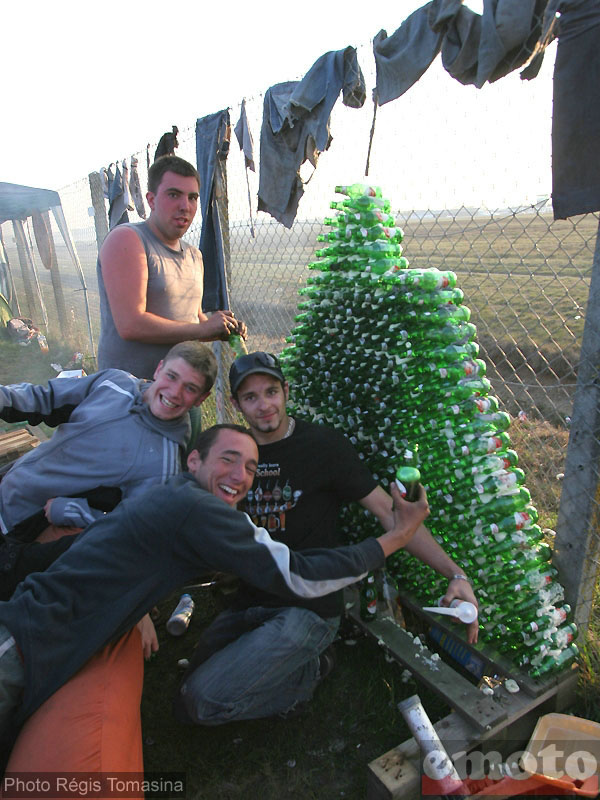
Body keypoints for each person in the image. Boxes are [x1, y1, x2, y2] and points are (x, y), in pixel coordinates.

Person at [0, 423, 429, 739]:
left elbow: (94, 547)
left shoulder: (170, 492)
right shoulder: (197, 511)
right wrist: (397, 537)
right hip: (25, 644)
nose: (241, 475)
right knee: (200, 699)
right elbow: (298, 574)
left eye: (250, 467)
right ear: (195, 460)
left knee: (201, 696)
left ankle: (307, 670)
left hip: (30, 629)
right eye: (228, 459)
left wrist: (134, 611)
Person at [174, 352, 478, 726]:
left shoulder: (322, 446)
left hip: (307, 606)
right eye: (251, 397)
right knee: (189, 680)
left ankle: (311, 671)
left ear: (286, 391)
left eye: (271, 391)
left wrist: (455, 573)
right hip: (250, 598)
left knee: (202, 703)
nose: (264, 405)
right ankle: (281, 663)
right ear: (236, 404)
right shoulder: (234, 457)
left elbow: (391, 514)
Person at [96, 154, 247, 380]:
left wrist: (219, 328)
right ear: (151, 199)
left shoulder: (195, 257)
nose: (185, 206)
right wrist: (202, 329)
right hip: (131, 396)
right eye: (174, 195)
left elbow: (191, 322)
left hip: (183, 390)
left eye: (193, 197)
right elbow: (130, 324)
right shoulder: (128, 240)